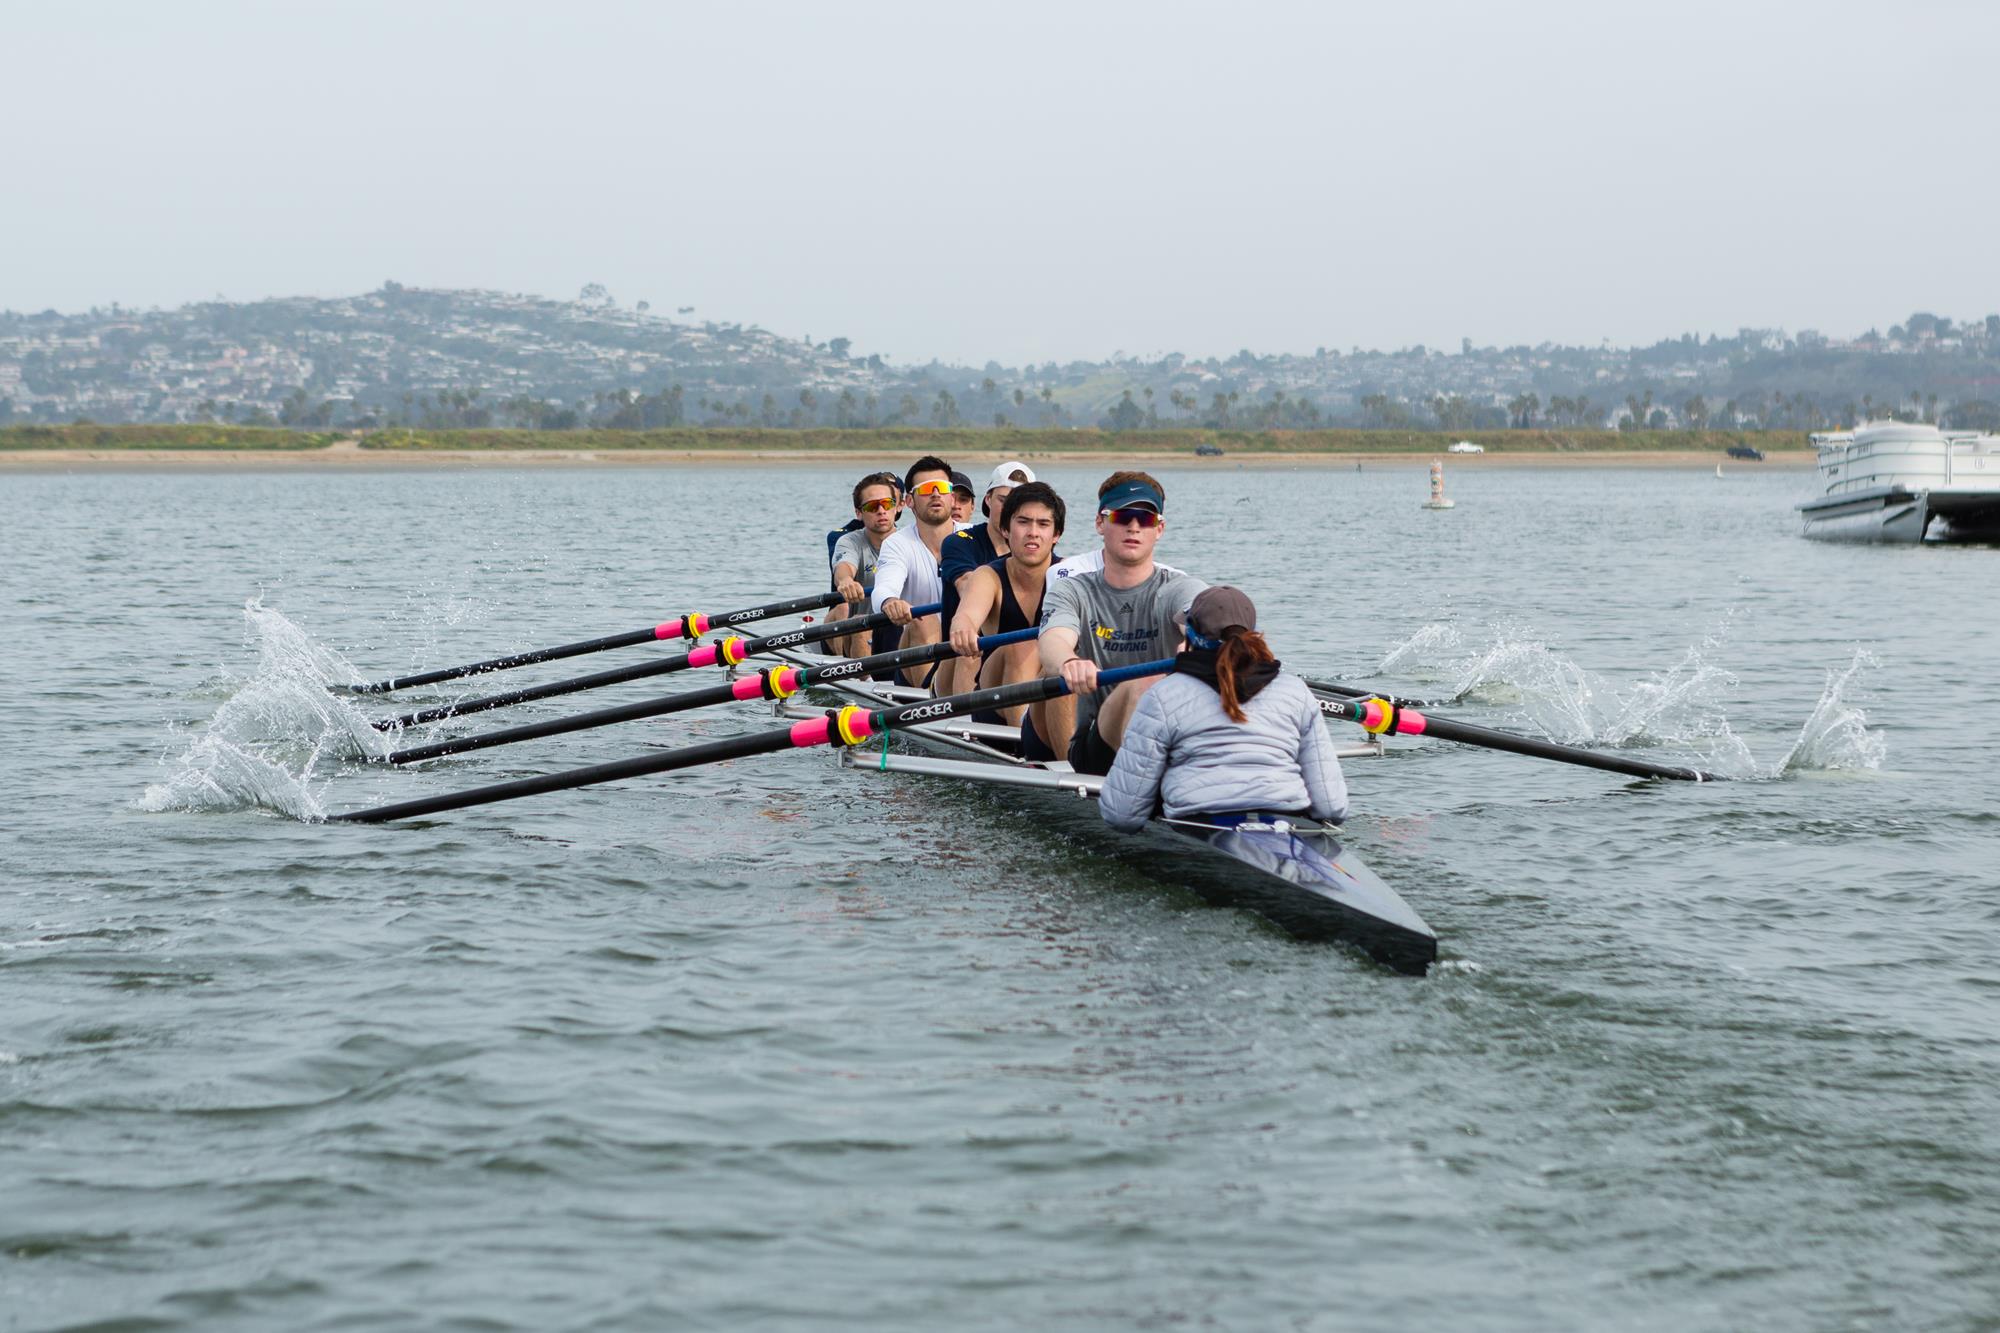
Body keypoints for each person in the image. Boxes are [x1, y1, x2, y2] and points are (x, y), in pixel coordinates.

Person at [1098, 587, 1349, 832]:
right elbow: (1332, 807)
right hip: (1291, 827)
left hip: (1197, 827)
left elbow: (1122, 814)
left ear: (1191, 636)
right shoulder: (1295, 691)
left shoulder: (1163, 696)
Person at [1037, 471, 1207, 775]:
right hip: (1096, 744)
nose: (1133, 526)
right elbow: (1053, 641)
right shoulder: (1073, 590)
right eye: (1122, 515)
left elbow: (1205, 616)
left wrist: (1198, 641)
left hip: (1170, 734)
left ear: (1159, 528)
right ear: (1101, 524)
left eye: (1145, 519)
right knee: (1143, 687)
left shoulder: (1177, 587)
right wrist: (1068, 661)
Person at [947, 481, 1064, 750]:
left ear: (1056, 534)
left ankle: (1071, 759)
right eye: (1023, 522)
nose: (1033, 533)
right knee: (1022, 646)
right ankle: (1028, 742)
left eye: (1043, 524)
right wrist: (963, 628)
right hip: (993, 704)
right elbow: (966, 615)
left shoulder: (1069, 574)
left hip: (1049, 696)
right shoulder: (988, 576)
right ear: (1005, 529)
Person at [937, 461, 1037, 694]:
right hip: (958, 661)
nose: (1012, 510)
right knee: (971, 647)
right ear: (988, 500)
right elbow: (968, 587)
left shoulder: (1039, 555)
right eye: (1004, 500)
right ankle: (965, 728)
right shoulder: (959, 542)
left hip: (1016, 662)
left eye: (1020, 503)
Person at [870, 455, 957, 683]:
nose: (936, 494)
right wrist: (891, 602)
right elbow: (884, 587)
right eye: (927, 489)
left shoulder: (975, 536)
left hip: (968, 648)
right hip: (918, 654)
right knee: (924, 619)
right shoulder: (898, 544)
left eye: (943, 488)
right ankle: (931, 704)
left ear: (953, 497)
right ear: (909, 501)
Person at [828, 471, 902, 661]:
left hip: (899, 626)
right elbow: (844, 566)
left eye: (887, 504)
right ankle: (860, 680)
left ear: (897, 508)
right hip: (860, 631)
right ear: (859, 513)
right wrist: (845, 581)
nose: (881, 511)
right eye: (872, 506)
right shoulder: (850, 541)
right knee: (859, 621)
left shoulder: (910, 542)